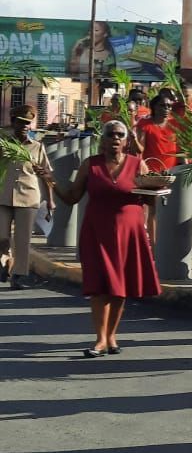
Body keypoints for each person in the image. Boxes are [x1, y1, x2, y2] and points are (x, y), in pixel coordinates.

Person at [49, 119, 161, 356]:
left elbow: (150, 201)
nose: (116, 138)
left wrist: (151, 231)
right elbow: (71, 197)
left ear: (127, 139)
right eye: (111, 134)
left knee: (119, 287)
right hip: (97, 232)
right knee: (100, 287)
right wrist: (51, 181)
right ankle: (100, 339)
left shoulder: (138, 165)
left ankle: (112, 336)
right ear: (103, 138)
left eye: (120, 134)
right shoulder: (91, 165)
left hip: (129, 233)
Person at [0, 104, 54, 290]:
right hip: (3, 196)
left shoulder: (37, 147)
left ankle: (19, 275)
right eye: (21, 122)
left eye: (27, 123)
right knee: (2, 236)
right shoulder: (3, 144)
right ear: (13, 122)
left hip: (28, 197)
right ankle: (5, 260)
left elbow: (47, 176)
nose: (24, 126)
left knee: (23, 240)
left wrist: (50, 201)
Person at [134, 91, 180, 248]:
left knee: (171, 211)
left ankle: (167, 245)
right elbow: (140, 148)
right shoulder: (145, 125)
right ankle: (154, 247)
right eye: (162, 105)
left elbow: (181, 149)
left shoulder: (176, 124)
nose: (166, 108)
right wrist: (133, 138)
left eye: (169, 106)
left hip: (172, 173)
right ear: (154, 107)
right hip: (153, 174)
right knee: (154, 211)